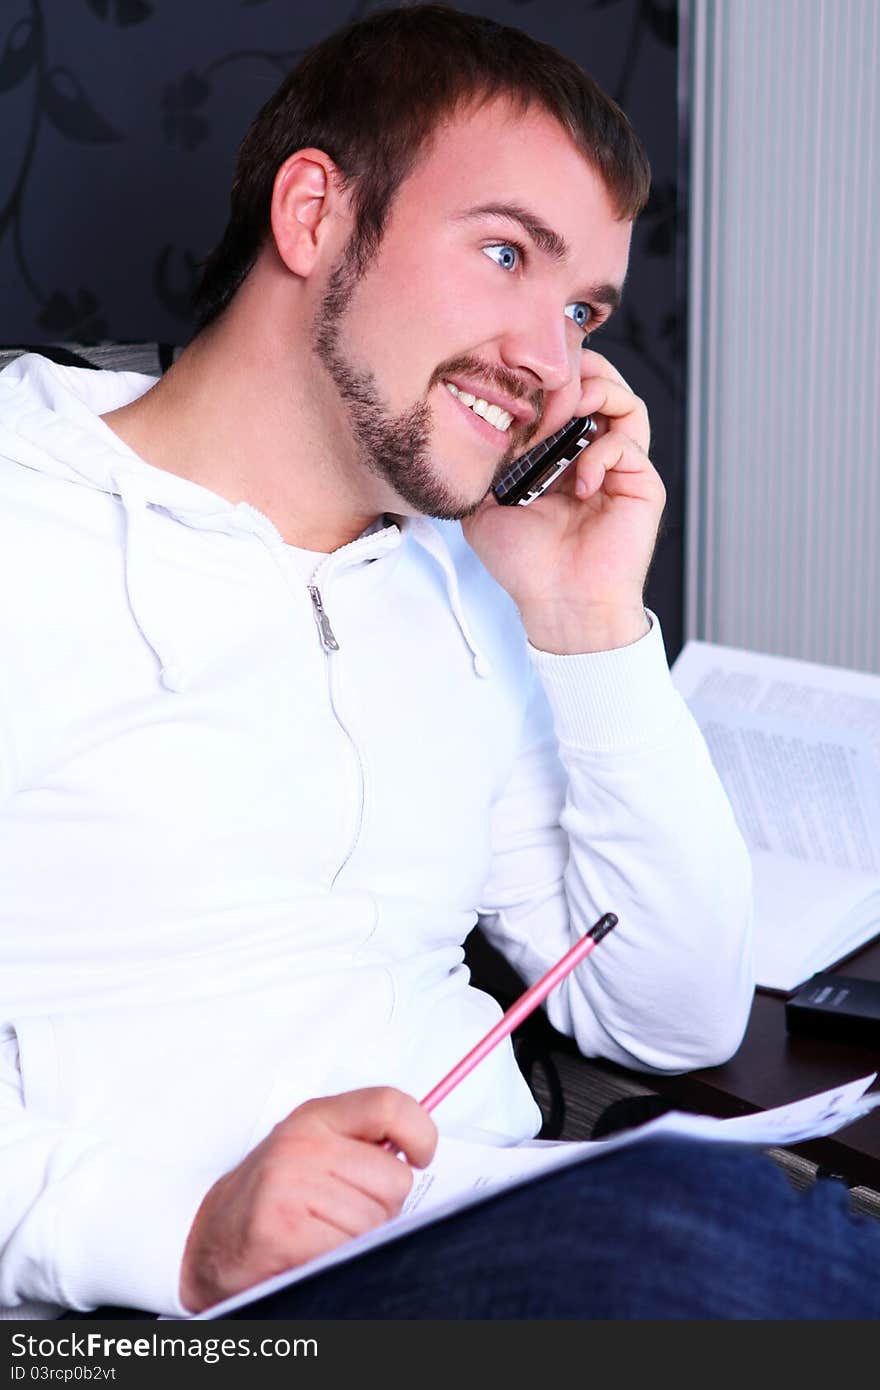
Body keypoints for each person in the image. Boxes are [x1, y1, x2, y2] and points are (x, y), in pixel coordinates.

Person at [0, 4, 876, 1323]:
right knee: (715, 1249)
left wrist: (587, 622)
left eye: (581, 304)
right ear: (316, 216)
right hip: (165, 1308)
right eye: (506, 251)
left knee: (759, 1233)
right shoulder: (29, 518)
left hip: (493, 1233)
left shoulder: (461, 582)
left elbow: (676, 1016)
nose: (550, 358)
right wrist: (174, 1233)